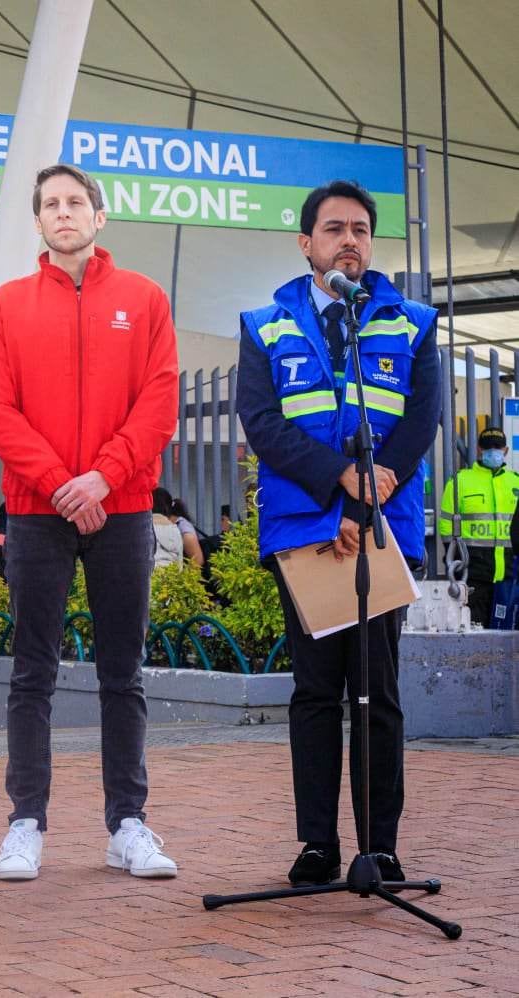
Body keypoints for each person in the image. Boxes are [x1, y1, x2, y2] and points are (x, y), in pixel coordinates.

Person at [0, 163, 180, 882]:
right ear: (37, 221)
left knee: (123, 674)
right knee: (32, 671)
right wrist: (63, 483)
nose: (63, 212)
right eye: (50, 204)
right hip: (40, 511)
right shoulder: (7, 305)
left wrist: (104, 477)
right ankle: (25, 824)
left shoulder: (145, 299)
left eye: (75, 202)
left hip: (122, 508)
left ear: (99, 215)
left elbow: (159, 402)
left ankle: (128, 825)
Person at [235, 179, 440, 886]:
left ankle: (379, 846)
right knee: (317, 693)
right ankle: (318, 844)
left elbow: (419, 421)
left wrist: (368, 496)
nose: (349, 240)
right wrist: (340, 481)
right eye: (333, 229)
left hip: (382, 528)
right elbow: (263, 424)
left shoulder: (412, 322)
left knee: (378, 692)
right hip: (306, 532)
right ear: (306, 243)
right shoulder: (265, 324)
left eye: (360, 229)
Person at [439, 426, 519, 627]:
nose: (493, 451)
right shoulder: (459, 482)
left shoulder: (515, 482)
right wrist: (455, 561)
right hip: (473, 575)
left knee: (507, 634)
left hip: (509, 574)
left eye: (498, 447)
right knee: (474, 631)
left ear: (506, 450)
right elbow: (446, 527)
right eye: (488, 447)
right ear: (479, 450)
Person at [151, 488, 184, 570]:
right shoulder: (175, 529)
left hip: (149, 574)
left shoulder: (143, 528)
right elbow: (179, 562)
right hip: (170, 575)